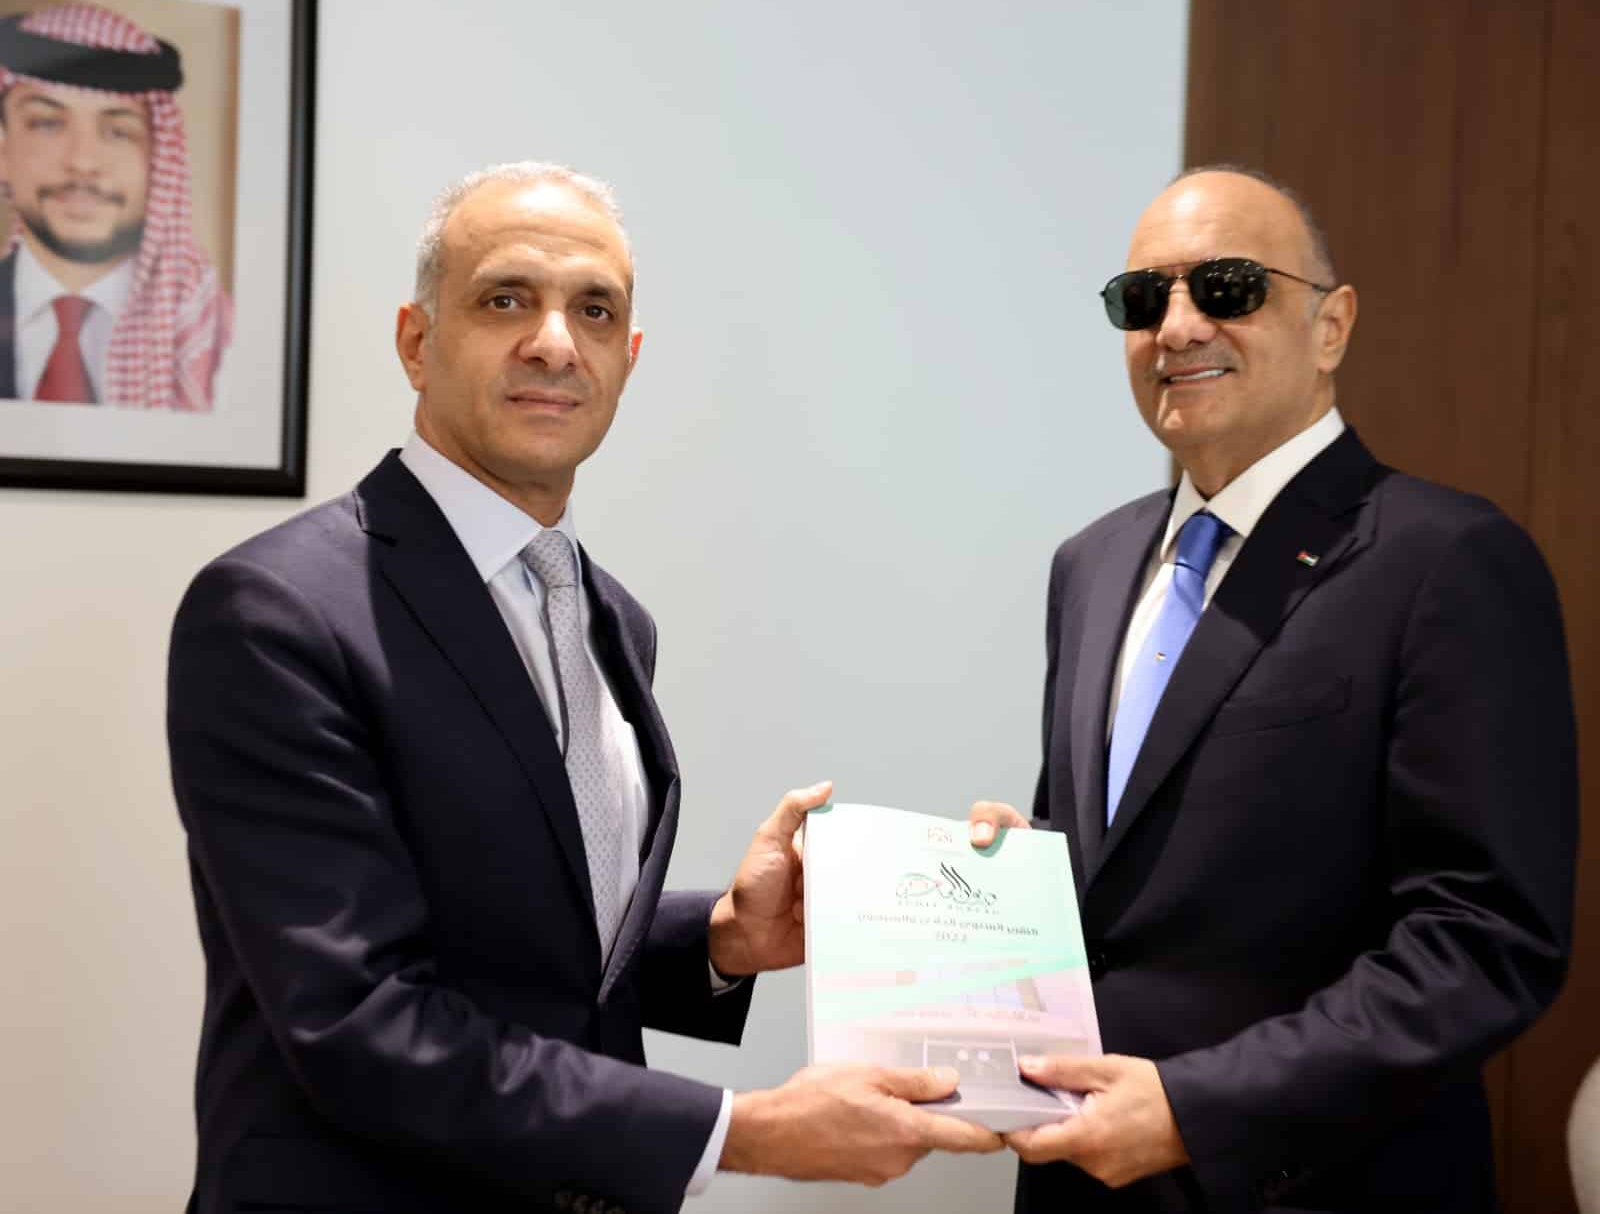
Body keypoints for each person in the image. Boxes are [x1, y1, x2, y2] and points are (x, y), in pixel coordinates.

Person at [167, 161, 998, 1214]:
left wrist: (720, 937)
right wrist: (741, 1131)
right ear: (416, 342)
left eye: (593, 310)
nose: (555, 342)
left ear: (626, 359)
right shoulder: (276, 611)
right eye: (505, 299)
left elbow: (527, 948)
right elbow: (359, 1022)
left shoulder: (611, 616)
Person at [969, 166, 1576, 1212]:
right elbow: (1124, 884)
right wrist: (1010, 884)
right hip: (1078, 1180)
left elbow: (1483, 940)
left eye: (1229, 287)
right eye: (1142, 300)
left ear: (1331, 325)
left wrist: (1195, 1109)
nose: (1177, 326)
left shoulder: (1447, 559)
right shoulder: (1092, 563)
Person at [0, 2, 229, 409]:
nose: (83, 161)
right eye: (47, 124)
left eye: (118, 131)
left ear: (158, 158)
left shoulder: (217, 337)